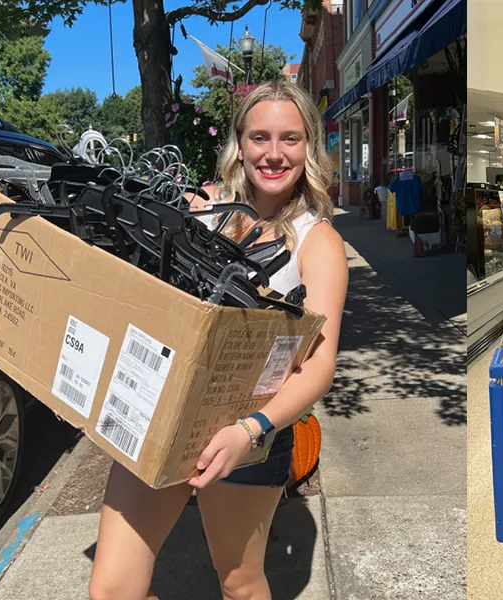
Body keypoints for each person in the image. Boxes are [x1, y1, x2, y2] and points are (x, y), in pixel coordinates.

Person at [88, 79, 349, 600]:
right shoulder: (201, 210)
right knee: (111, 590)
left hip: (248, 434)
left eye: (290, 139)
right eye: (259, 137)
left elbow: (317, 366)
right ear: (239, 143)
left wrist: (250, 430)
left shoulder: (319, 243)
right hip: (161, 417)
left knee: (239, 584)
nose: (273, 154)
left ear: (309, 148)